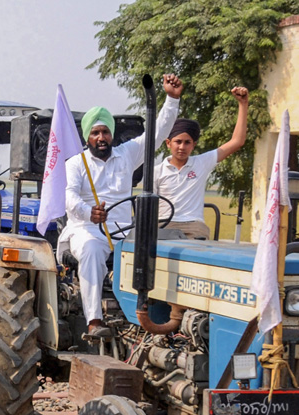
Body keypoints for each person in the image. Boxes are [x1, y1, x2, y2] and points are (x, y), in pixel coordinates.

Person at [60, 73, 183, 339]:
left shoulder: (127, 153)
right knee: (93, 250)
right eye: (95, 132)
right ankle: (94, 320)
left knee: (160, 249)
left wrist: (171, 99)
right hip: (87, 230)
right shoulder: (75, 164)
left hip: (124, 232)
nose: (101, 137)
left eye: (105, 131)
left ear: (112, 134)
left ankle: (159, 322)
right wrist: (88, 212)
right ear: (87, 137)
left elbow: (157, 131)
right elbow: (69, 198)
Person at [154, 87, 250, 240]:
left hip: (194, 227)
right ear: (168, 143)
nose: (182, 147)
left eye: (187, 142)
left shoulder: (201, 163)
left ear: (194, 145)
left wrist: (243, 104)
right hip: (164, 225)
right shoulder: (157, 172)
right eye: (178, 142)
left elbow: (237, 141)